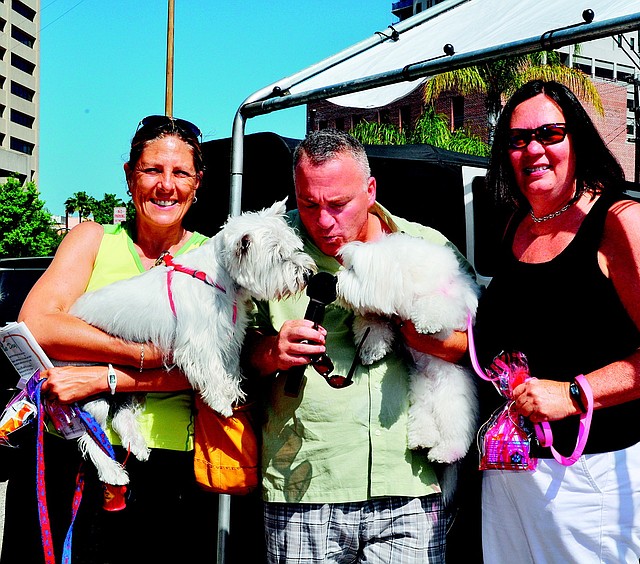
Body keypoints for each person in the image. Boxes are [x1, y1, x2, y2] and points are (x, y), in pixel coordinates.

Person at [471, 80, 640, 563]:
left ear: (578, 139)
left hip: (591, 471)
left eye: (550, 133)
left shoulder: (621, 220)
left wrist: (573, 393)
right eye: (517, 139)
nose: (533, 148)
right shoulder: (518, 224)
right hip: (512, 466)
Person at [1, 115, 226, 564]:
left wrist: (100, 377)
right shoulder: (92, 239)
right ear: (129, 175)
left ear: (197, 182)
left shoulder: (213, 257)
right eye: (152, 171)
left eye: (180, 173)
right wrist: (143, 354)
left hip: (171, 465)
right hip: (73, 452)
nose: (166, 186)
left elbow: (212, 372)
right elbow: (38, 324)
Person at [245, 129, 474, 563]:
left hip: (409, 482)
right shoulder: (268, 247)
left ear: (370, 190)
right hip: (305, 483)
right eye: (308, 204)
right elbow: (231, 353)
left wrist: (426, 334)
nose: (324, 221)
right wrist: (271, 351)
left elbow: (481, 346)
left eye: (338, 204)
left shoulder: (427, 247)